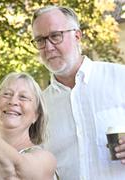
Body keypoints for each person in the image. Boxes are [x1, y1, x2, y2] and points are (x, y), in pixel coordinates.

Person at [31, 5, 125, 180]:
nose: (48, 47)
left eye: (55, 36)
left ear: (77, 36)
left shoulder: (120, 78)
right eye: (40, 40)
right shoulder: (39, 106)